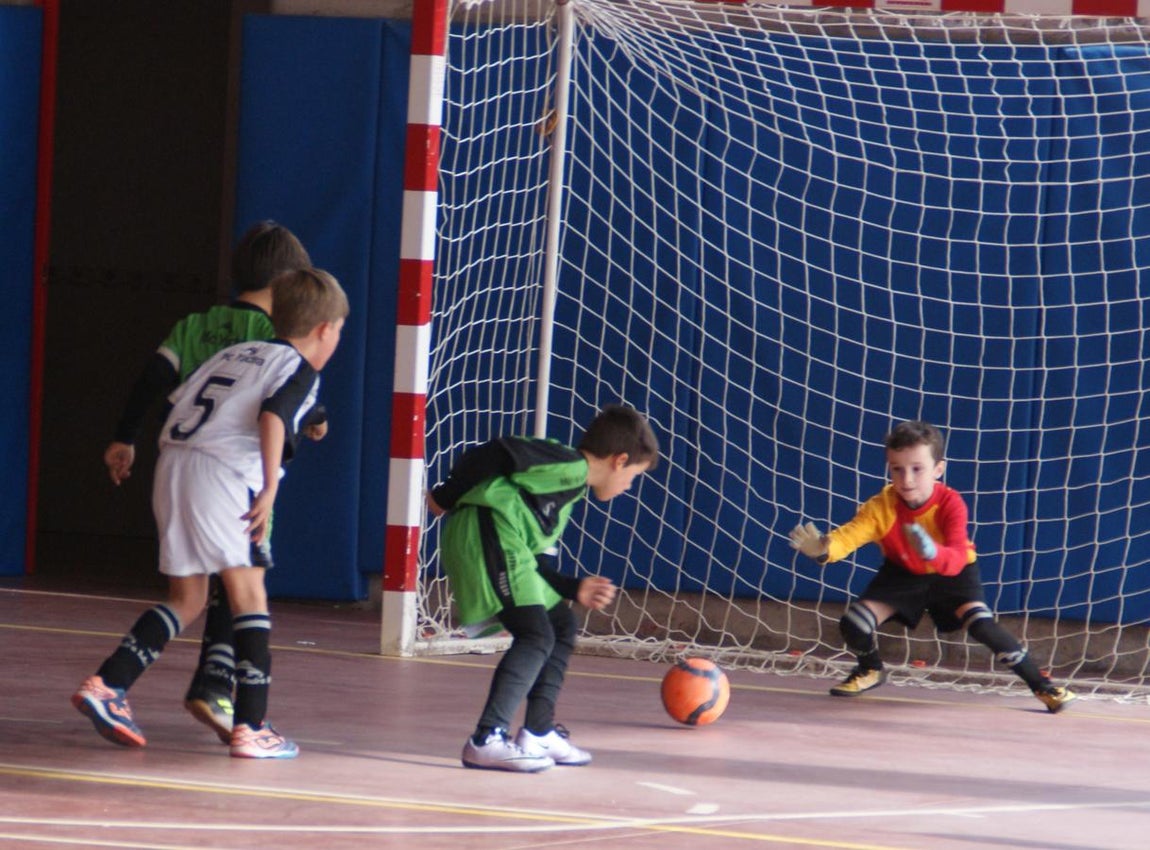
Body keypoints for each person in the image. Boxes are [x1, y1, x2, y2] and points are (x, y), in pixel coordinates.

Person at [73, 268, 350, 759]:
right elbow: (273, 415)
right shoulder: (300, 368)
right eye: (340, 331)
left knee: (188, 597)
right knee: (250, 594)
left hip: (174, 465)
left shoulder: (236, 353)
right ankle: (252, 726)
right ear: (325, 329)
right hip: (222, 476)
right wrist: (269, 487)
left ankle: (108, 685)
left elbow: (176, 402)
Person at [102, 221, 315, 744]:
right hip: (230, 471)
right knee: (242, 583)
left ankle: (119, 684)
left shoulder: (196, 324)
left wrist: (124, 437)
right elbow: (278, 401)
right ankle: (224, 695)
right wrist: (316, 419)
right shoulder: (273, 338)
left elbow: (152, 380)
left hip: (178, 460)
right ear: (286, 285)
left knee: (197, 589)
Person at [427, 404, 659, 772]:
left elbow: (540, 562)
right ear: (620, 461)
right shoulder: (566, 464)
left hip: (509, 546)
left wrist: (574, 588)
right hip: (485, 534)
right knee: (535, 636)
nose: (629, 486)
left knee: (560, 625)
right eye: (633, 476)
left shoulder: (569, 492)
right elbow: (494, 452)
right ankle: (486, 739)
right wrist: (445, 496)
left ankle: (537, 731)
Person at [788, 419, 1077, 713]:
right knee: (854, 622)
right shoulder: (881, 506)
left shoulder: (951, 503)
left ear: (938, 469)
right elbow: (850, 535)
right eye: (897, 469)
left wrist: (932, 552)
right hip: (903, 573)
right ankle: (870, 669)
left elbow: (956, 557)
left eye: (917, 469)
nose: (907, 479)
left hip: (953, 574)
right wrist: (825, 550)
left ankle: (1044, 687)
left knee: (982, 625)